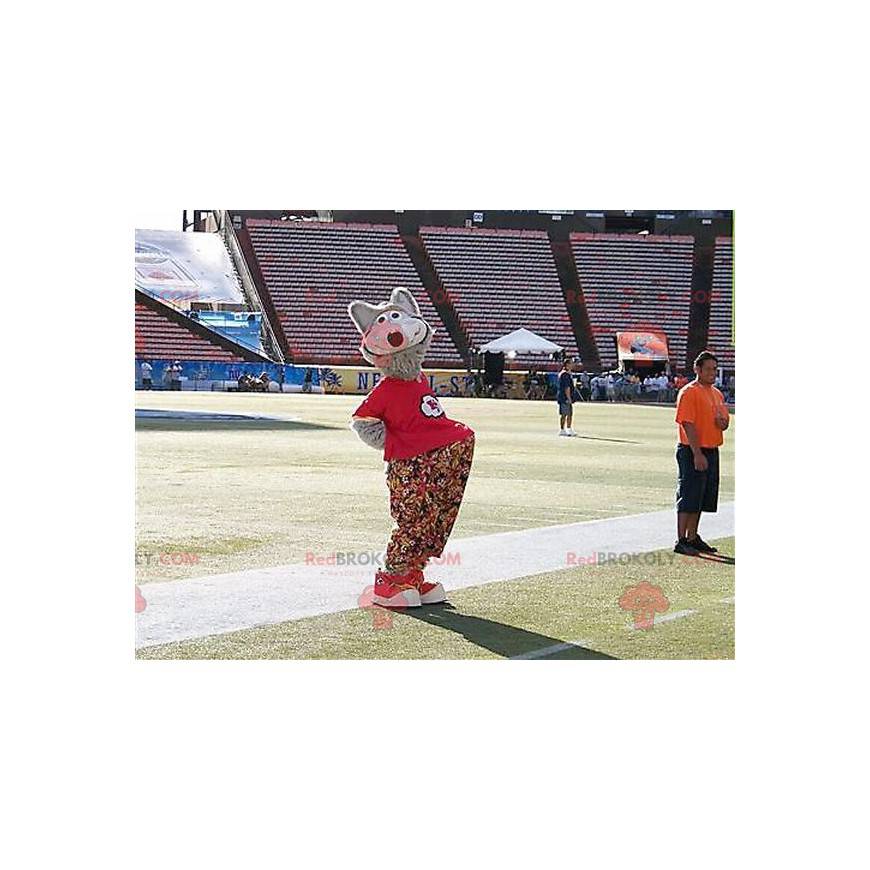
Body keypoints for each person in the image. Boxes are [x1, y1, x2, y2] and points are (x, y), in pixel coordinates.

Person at [674, 351, 730, 555]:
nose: (712, 373)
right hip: (692, 449)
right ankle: (681, 539)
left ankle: (692, 536)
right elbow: (687, 423)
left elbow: (723, 421)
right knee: (688, 494)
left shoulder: (716, 393)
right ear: (697, 369)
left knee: (701, 496)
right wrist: (697, 453)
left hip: (711, 448)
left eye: (714, 369)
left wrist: (723, 423)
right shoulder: (689, 392)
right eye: (708, 369)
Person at [557, 359, 576, 436]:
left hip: (564, 396)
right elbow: (567, 387)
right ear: (567, 364)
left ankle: (568, 428)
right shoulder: (565, 375)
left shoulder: (566, 374)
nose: (573, 365)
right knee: (565, 414)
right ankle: (562, 429)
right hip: (564, 397)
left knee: (569, 413)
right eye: (571, 363)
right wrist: (569, 398)